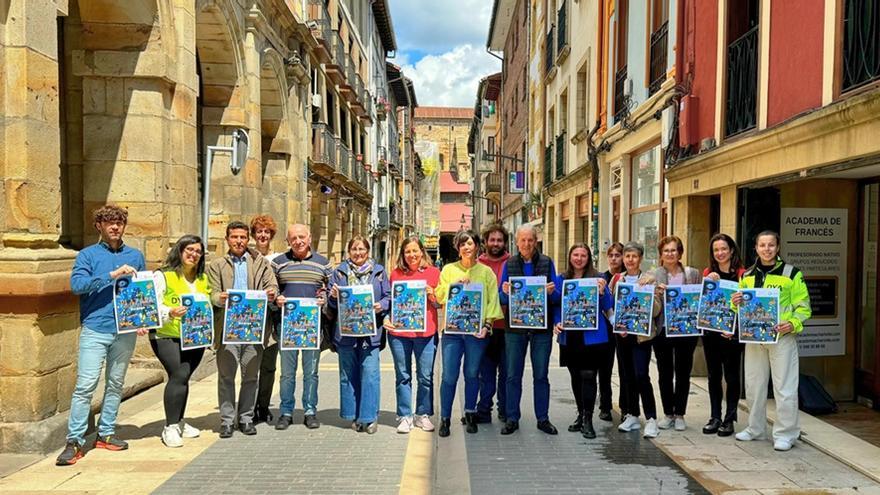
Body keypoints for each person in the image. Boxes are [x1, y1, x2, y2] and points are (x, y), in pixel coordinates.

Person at [57, 205, 148, 466]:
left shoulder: (136, 255)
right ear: (99, 226)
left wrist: (142, 318)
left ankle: (106, 432)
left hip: (125, 331)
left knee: (116, 384)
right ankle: (74, 440)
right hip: (96, 328)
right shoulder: (87, 255)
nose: (115, 227)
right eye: (109, 223)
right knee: (85, 386)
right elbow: (77, 286)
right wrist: (112, 274)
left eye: (119, 222)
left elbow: (141, 292)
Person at [733, 230, 811, 452]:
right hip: (754, 339)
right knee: (754, 385)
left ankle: (786, 434)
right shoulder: (746, 275)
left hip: (782, 338)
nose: (766, 249)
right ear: (756, 248)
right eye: (762, 245)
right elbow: (738, 308)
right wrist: (735, 301)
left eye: (771, 245)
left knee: (785, 387)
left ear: (778, 247)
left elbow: (804, 307)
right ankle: (755, 429)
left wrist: (792, 324)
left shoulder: (792, 274)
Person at [207, 221, 278, 438]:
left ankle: (246, 418)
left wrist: (271, 293)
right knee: (226, 377)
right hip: (227, 330)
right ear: (227, 239)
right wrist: (219, 298)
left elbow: (272, 284)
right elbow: (211, 293)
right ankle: (227, 421)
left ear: (249, 239)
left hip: (254, 328)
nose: (239, 241)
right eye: (235, 237)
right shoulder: (216, 265)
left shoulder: (260, 262)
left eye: (243, 237)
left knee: (250, 376)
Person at [435, 230, 503, 437]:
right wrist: (453, 287)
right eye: (462, 244)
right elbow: (439, 296)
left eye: (470, 243)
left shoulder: (486, 273)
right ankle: (445, 418)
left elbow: (493, 301)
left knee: (472, 374)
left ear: (477, 247)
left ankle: (470, 413)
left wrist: (487, 325)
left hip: (476, 333)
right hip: (452, 332)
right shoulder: (448, 270)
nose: (466, 247)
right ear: (458, 248)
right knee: (449, 376)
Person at [499, 224, 561, 435]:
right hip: (514, 329)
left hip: (541, 329)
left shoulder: (547, 262)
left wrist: (552, 291)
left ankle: (542, 418)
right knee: (512, 375)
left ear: (536, 242)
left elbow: (555, 297)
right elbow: (500, 297)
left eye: (530, 240)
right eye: (523, 240)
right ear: (517, 242)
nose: (526, 244)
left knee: (541, 375)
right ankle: (511, 418)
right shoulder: (509, 264)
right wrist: (505, 292)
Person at [327, 236, 391, 434]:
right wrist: (333, 297)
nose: (358, 253)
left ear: (368, 250)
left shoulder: (379, 271)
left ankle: (369, 417)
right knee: (349, 374)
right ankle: (353, 414)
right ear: (349, 251)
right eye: (354, 249)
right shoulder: (338, 273)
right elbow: (330, 304)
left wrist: (382, 305)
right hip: (346, 333)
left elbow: (388, 296)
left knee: (370, 374)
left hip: (371, 333)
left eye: (362, 249)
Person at [151, 235, 210, 447]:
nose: (193, 254)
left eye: (198, 251)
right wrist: (170, 312)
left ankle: (180, 421)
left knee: (184, 378)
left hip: (195, 337)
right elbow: (152, 306)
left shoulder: (203, 278)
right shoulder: (163, 276)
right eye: (189, 250)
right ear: (180, 250)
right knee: (179, 374)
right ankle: (170, 427)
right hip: (167, 334)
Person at [272, 224, 333, 430]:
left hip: (312, 328)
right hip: (286, 326)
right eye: (293, 238)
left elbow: (332, 290)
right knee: (287, 373)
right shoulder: (278, 263)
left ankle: (310, 411)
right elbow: (271, 289)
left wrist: (323, 299)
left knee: (311, 373)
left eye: (301, 237)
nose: (298, 241)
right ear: (287, 241)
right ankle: (286, 411)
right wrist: (277, 299)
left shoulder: (323, 263)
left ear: (309, 238)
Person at [554, 243, 614, 439]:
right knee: (575, 376)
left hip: (592, 336)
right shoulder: (562, 279)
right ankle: (580, 414)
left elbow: (608, 306)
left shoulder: (599, 278)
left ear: (589, 258)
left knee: (589, 375)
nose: (579, 258)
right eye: (575, 255)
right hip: (570, 335)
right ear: (570, 257)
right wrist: (557, 322)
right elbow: (556, 304)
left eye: (583, 255)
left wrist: (604, 291)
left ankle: (588, 419)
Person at [643, 236, 702, 432]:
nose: (670, 254)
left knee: (683, 372)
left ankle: (680, 414)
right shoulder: (653, 275)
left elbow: (703, 297)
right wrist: (654, 293)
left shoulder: (692, 273)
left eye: (674, 250)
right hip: (663, 331)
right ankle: (668, 413)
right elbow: (646, 303)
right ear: (660, 254)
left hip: (686, 331)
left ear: (680, 253)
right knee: (665, 373)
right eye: (666, 251)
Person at [384, 236, 440, 433]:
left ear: (422, 252)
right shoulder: (396, 274)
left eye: (415, 251)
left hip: (426, 333)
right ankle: (405, 415)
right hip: (399, 333)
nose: (412, 255)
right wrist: (386, 318)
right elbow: (389, 302)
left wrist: (432, 292)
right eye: (408, 251)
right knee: (403, 375)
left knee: (425, 376)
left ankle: (422, 414)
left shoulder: (434, 273)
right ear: (403, 254)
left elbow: (439, 303)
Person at [609, 242, 660, 438]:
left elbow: (656, 311)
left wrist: (648, 293)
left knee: (641, 375)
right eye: (627, 256)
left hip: (642, 337)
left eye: (634, 256)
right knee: (627, 376)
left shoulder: (649, 279)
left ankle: (651, 418)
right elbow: (610, 307)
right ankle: (632, 414)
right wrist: (616, 323)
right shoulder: (617, 279)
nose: (630, 260)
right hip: (622, 336)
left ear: (640, 259)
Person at [701, 233, 745, 437]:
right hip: (711, 333)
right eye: (716, 250)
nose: (720, 253)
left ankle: (730, 418)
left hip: (732, 334)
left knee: (732, 375)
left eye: (723, 249)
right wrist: (707, 283)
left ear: (732, 250)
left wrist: (734, 328)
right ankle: (715, 416)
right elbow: (703, 304)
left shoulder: (743, 275)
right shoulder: (709, 273)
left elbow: (749, 307)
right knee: (713, 375)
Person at [475, 223, 511, 423]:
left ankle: (505, 410)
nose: (495, 243)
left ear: (504, 242)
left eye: (499, 240)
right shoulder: (477, 263)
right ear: (486, 241)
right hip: (484, 328)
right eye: (492, 239)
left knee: (507, 373)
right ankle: (484, 410)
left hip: (507, 328)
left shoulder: (513, 263)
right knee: (485, 373)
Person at [251, 215, 280, 424]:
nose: (262, 235)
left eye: (266, 232)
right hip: (251, 319)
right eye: (259, 232)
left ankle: (263, 406)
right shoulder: (246, 258)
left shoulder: (278, 260)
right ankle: (249, 407)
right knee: (250, 365)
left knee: (269, 366)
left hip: (272, 320)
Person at [601, 242, 625, 422]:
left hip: (626, 329)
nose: (614, 258)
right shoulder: (601, 277)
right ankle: (605, 406)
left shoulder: (628, 277)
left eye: (618, 255)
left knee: (625, 370)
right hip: (607, 329)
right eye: (611, 255)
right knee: (605, 369)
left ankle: (626, 406)